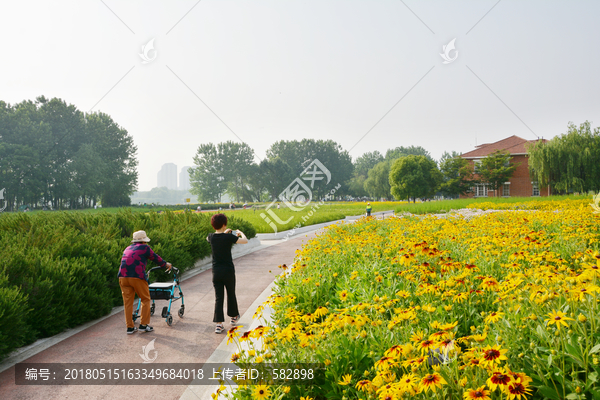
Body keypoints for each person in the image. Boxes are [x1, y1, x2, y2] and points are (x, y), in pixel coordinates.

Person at [118, 230, 172, 334]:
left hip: (123, 277)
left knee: (127, 303)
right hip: (137, 276)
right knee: (145, 299)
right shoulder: (144, 248)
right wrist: (165, 265)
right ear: (144, 241)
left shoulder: (128, 248)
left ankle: (130, 327)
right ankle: (143, 325)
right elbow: (155, 258)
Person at [207, 214, 248, 334]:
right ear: (224, 224)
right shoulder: (229, 237)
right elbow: (245, 241)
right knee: (231, 293)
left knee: (218, 297)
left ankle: (218, 325)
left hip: (216, 272)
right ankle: (234, 317)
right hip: (228, 271)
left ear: (213, 225)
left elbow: (211, 237)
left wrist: (223, 232)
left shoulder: (210, 237)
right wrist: (240, 233)